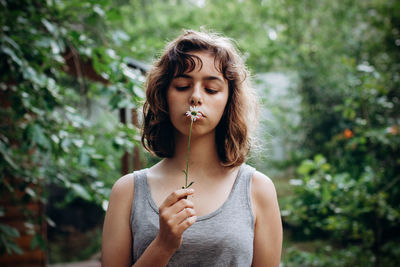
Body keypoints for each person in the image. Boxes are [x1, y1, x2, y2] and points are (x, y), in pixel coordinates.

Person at [101, 30, 282, 267]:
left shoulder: (258, 190)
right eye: (182, 85)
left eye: (211, 89)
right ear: (163, 95)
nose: (196, 97)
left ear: (229, 100)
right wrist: (163, 245)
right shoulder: (127, 192)